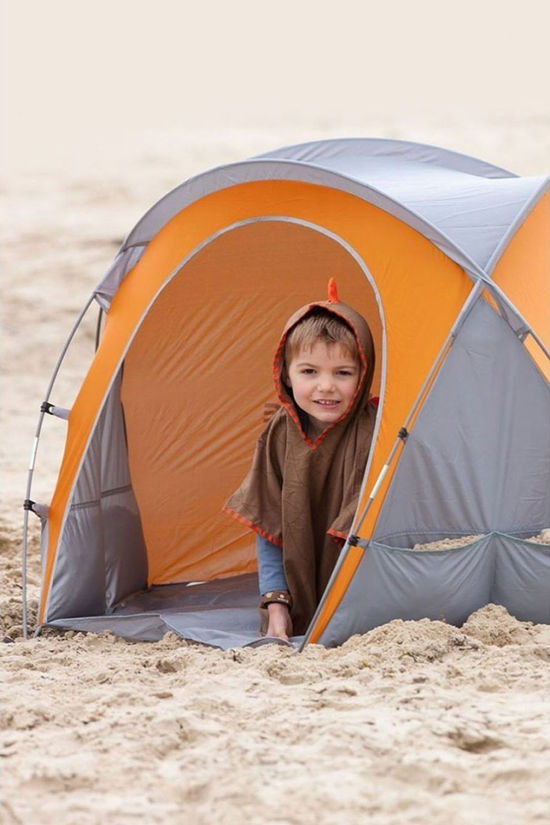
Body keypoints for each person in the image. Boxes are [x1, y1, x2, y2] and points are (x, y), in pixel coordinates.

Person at [224, 279, 376, 640]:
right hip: (299, 597)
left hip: (362, 601)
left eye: (343, 373)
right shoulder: (279, 431)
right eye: (310, 372)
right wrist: (276, 605)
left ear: (363, 374)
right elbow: (269, 525)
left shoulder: (375, 431)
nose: (326, 386)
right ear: (286, 376)